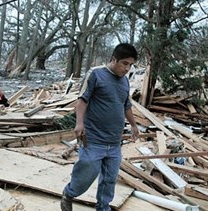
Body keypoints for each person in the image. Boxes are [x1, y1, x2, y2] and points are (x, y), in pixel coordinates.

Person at [61, 43, 139, 211]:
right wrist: (79, 122)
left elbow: (126, 105)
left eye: (131, 65)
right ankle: (69, 193)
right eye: (125, 63)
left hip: (114, 141)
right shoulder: (96, 74)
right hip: (93, 139)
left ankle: (103, 207)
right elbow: (82, 100)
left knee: (109, 180)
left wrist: (133, 125)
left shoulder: (125, 82)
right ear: (114, 59)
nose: (127, 68)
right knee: (86, 175)